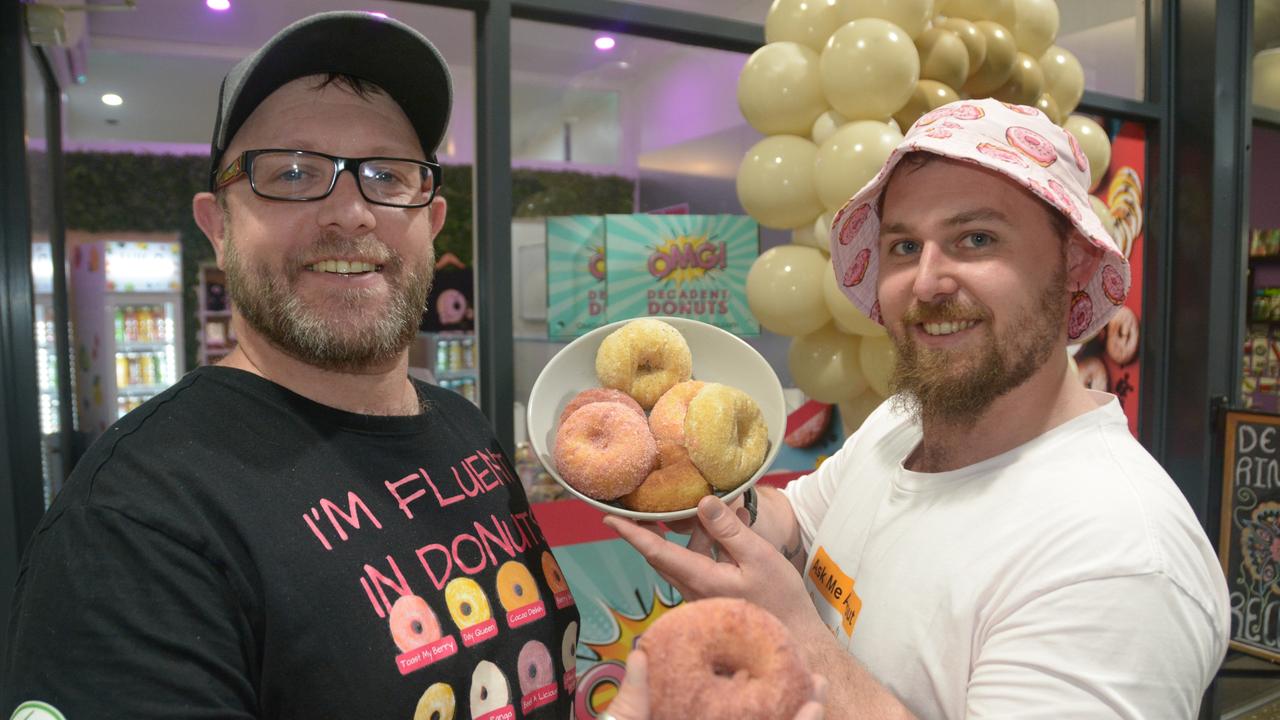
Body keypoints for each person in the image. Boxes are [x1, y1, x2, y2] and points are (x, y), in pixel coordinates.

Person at [2, 12, 578, 719]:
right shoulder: (134, 527)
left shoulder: (465, 430)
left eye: (389, 176)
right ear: (218, 227)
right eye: (294, 172)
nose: (351, 213)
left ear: (430, 223)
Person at [606, 98, 1229, 719]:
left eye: (976, 238)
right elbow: (797, 525)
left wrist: (789, 633)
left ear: (1075, 264)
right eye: (903, 247)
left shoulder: (1118, 560)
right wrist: (706, 495)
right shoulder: (903, 424)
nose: (927, 282)